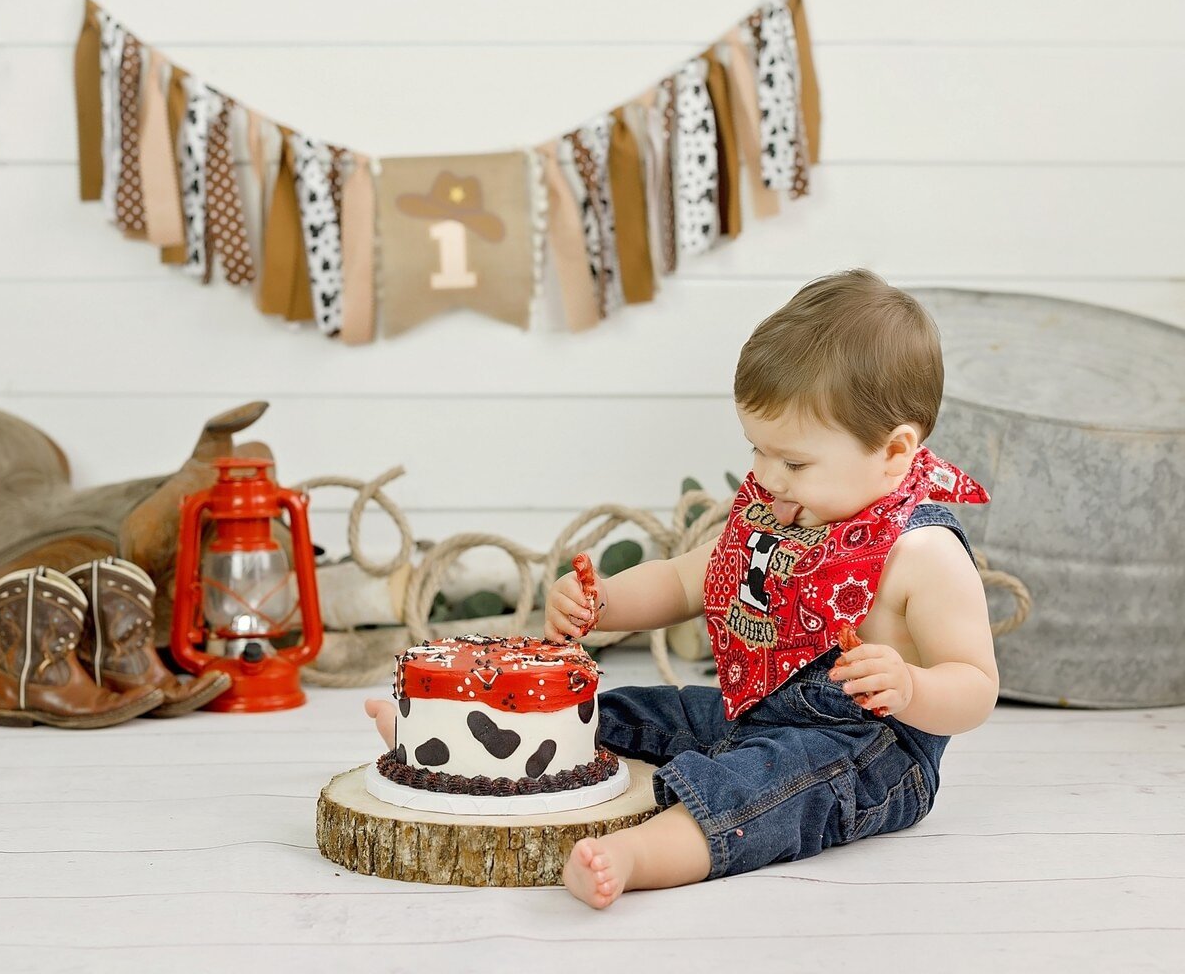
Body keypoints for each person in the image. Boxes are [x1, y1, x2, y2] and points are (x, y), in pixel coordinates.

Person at [364, 269, 1000, 906]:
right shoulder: (783, 516)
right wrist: (604, 603)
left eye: (793, 462)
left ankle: (636, 856)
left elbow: (975, 686)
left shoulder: (923, 552)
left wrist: (911, 686)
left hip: (866, 750)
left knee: (758, 790)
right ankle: (454, 752)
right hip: (754, 708)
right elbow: (681, 579)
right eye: (757, 450)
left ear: (894, 452)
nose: (765, 476)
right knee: (635, 711)